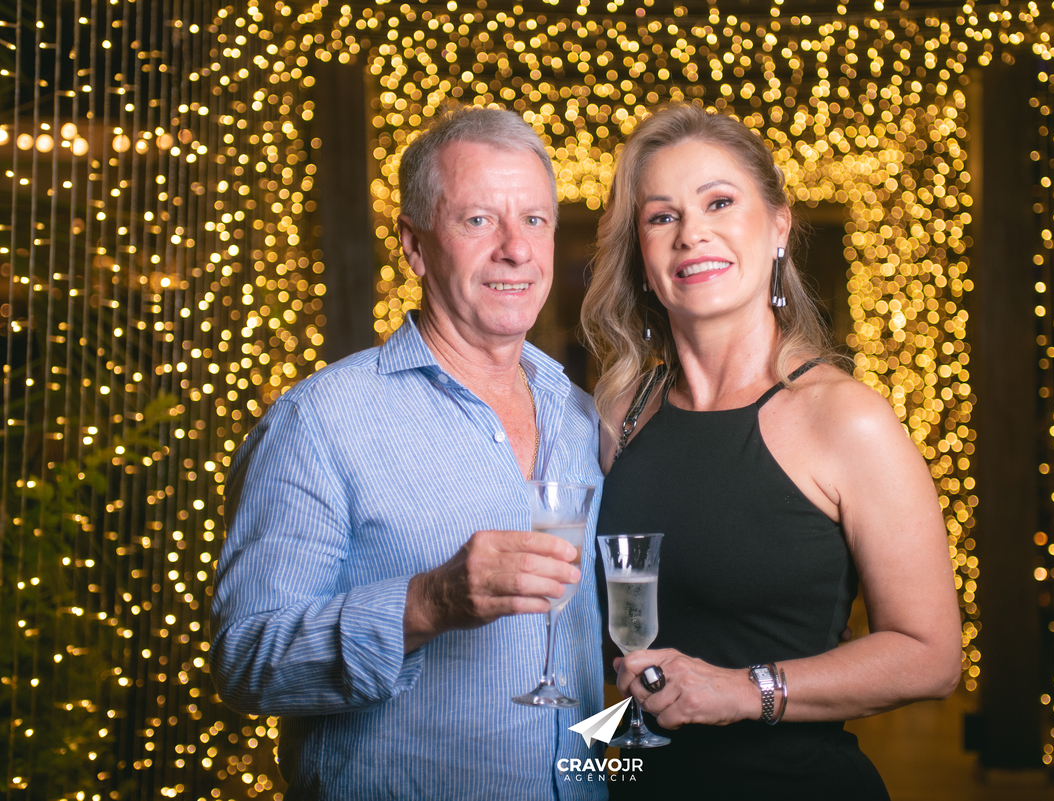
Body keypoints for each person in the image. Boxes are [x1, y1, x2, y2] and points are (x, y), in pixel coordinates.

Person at [211, 107, 607, 800]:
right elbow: (245, 661)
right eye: (478, 220)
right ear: (415, 246)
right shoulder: (319, 421)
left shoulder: (581, 415)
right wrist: (428, 602)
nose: (516, 248)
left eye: (535, 219)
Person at [579, 104, 962, 798]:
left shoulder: (847, 420)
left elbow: (931, 656)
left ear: (779, 226)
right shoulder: (620, 415)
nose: (692, 233)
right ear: (642, 254)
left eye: (719, 202)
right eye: (662, 216)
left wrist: (741, 689)